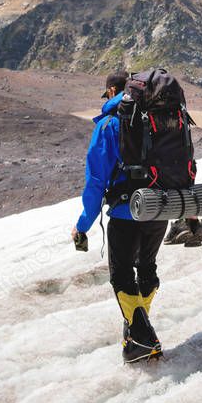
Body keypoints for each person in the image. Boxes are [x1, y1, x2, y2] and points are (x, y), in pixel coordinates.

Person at [71, 71, 168, 363]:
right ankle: (135, 334)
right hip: (161, 208)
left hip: (127, 213)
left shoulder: (111, 123)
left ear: (113, 89)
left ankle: (144, 339)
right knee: (146, 268)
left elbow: (96, 182)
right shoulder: (158, 116)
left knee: (122, 276)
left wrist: (82, 226)